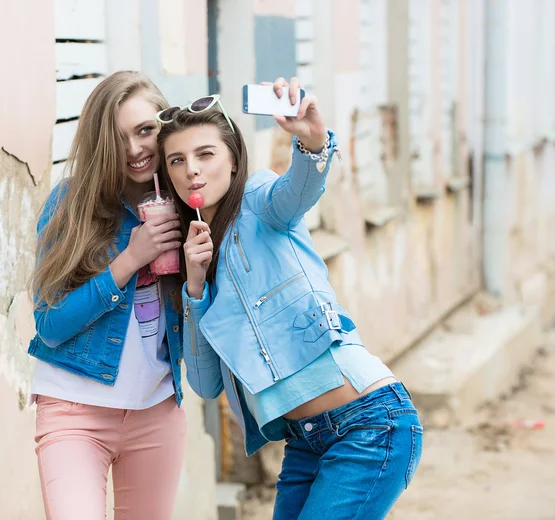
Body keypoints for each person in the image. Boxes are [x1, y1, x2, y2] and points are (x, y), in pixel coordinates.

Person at [158, 77, 423, 520]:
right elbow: (205, 385)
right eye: (177, 161)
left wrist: (313, 143)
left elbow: (297, 191)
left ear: (233, 157)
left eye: (206, 154)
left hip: (368, 423)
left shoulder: (262, 201)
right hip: (304, 442)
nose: (192, 171)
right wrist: (196, 285)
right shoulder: (193, 257)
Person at [28, 71, 186, 520]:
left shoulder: (186, 203)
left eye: (145, 131)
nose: (136, 149)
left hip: (156, 410)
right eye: (119, 138)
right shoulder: (70, 205)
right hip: (74, 412)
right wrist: (129, 259)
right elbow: (50, 326)